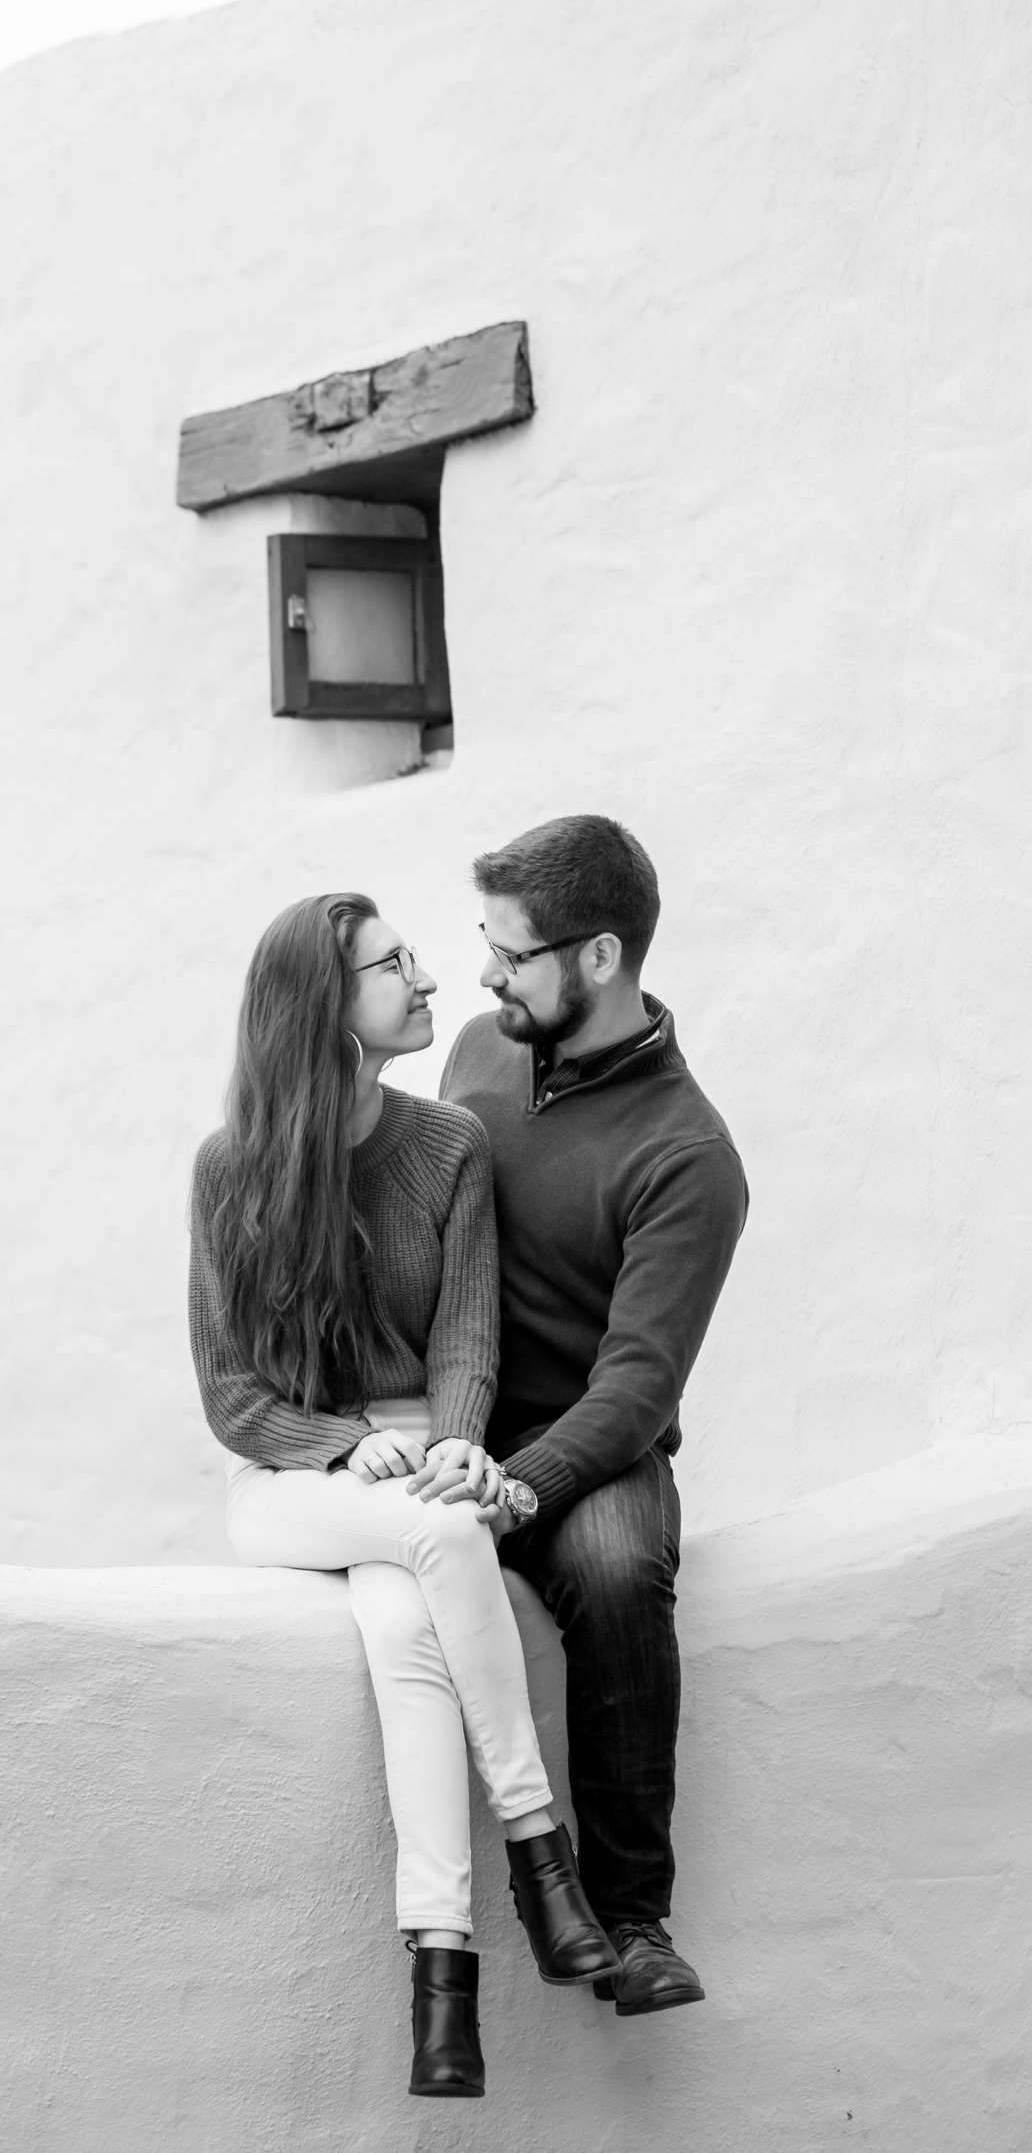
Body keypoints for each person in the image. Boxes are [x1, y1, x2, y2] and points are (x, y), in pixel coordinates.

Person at [188, 890, 619, 2100]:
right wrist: (339, 1445)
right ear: (325, 1010)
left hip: (424, 1470)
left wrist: (456, 1445)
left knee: (403, 1646)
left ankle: (444, 1988)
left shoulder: (445, 1147)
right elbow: (230, 1393)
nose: (427, 979)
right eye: (393, 966)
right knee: (435, 1546)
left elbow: (466, 1338)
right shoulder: (231, 1171)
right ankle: (542, 1853)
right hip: (289, 1478)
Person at [438, 815, 749, 2016]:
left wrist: (524, 1483)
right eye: (486, 945)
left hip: (591, 1449)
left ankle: (633, 1922)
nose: (484, 976)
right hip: (445, 1420)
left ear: (602, 957)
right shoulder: (474, 1053)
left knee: (620, 1572)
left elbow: (637, 1388)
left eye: (510, 955)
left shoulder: (688, 1154)